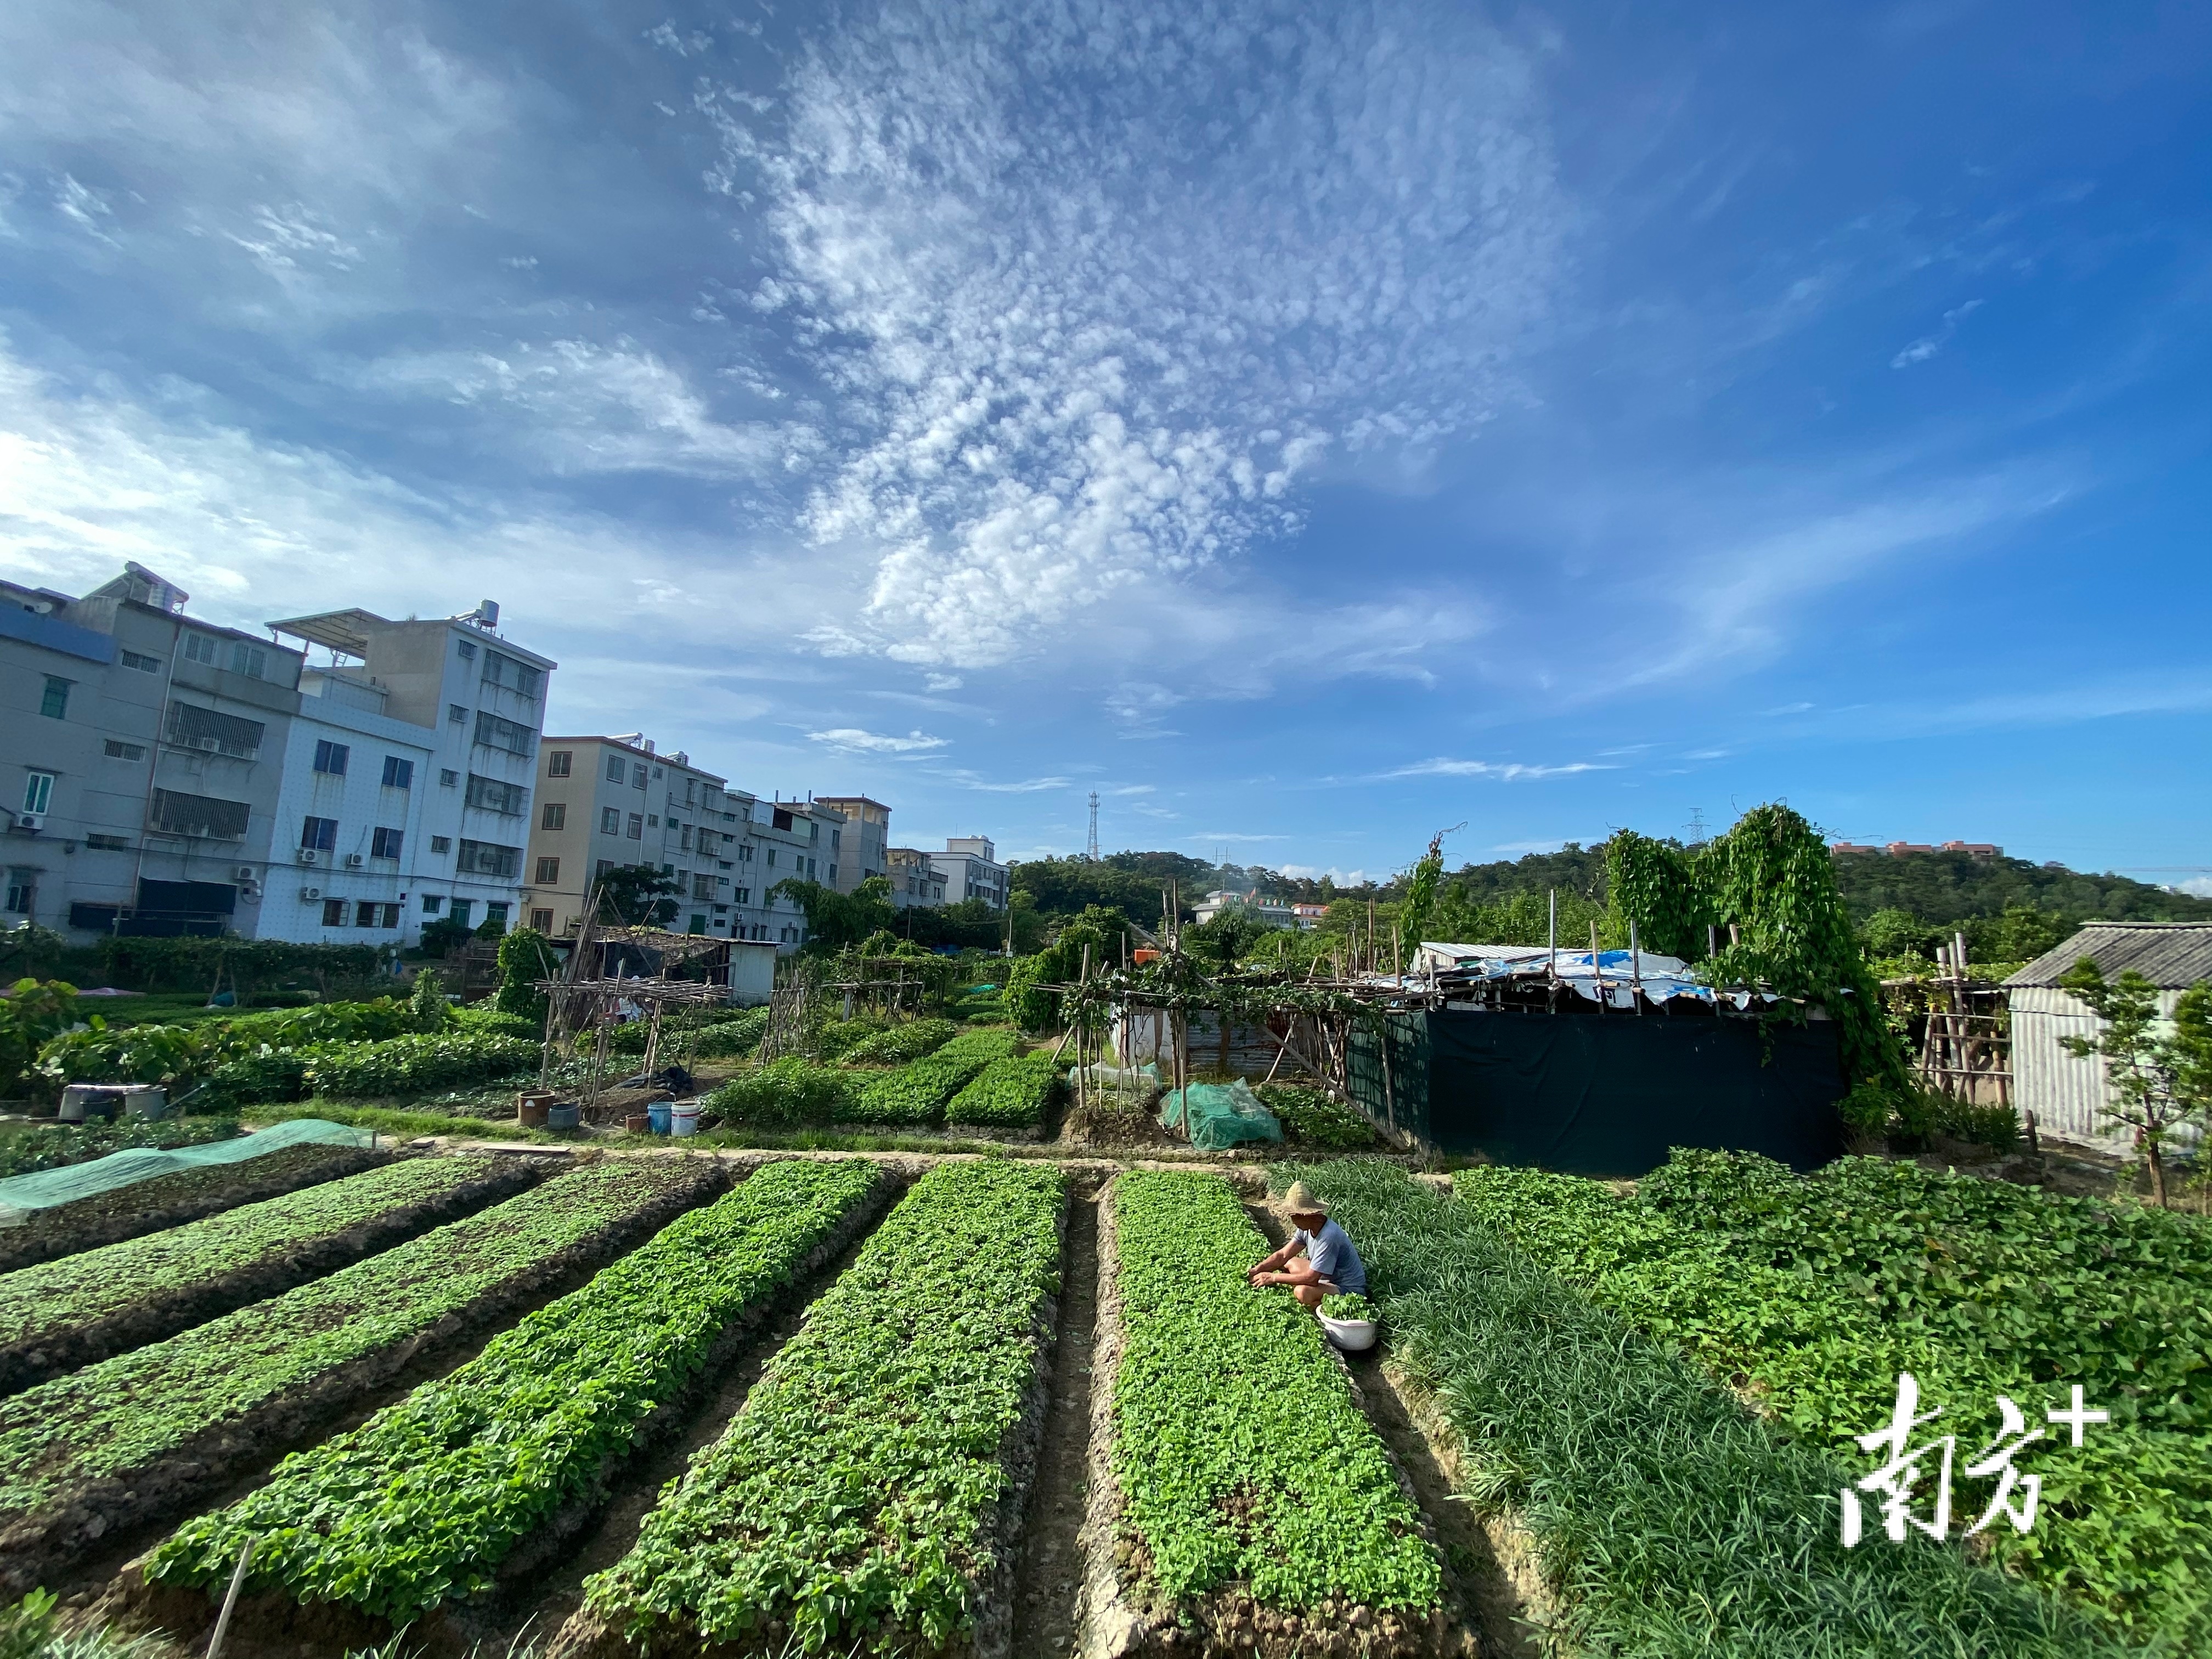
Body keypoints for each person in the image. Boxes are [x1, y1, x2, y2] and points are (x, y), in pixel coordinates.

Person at [1248, 1180, 1367, 1311]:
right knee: (1290, 1262)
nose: (1292, 1221)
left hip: (1346, 1288)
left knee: (1302, 1292)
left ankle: (1323, 1309)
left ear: (1306, 1215)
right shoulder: (1307, 1228)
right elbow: (1283, 1255)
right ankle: (1317, 1295)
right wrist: (1257, 1270)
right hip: (1326, 1276)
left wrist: (1273, 1277)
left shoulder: (1329, 1237)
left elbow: (1311, 1279)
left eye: (1294, 1216)